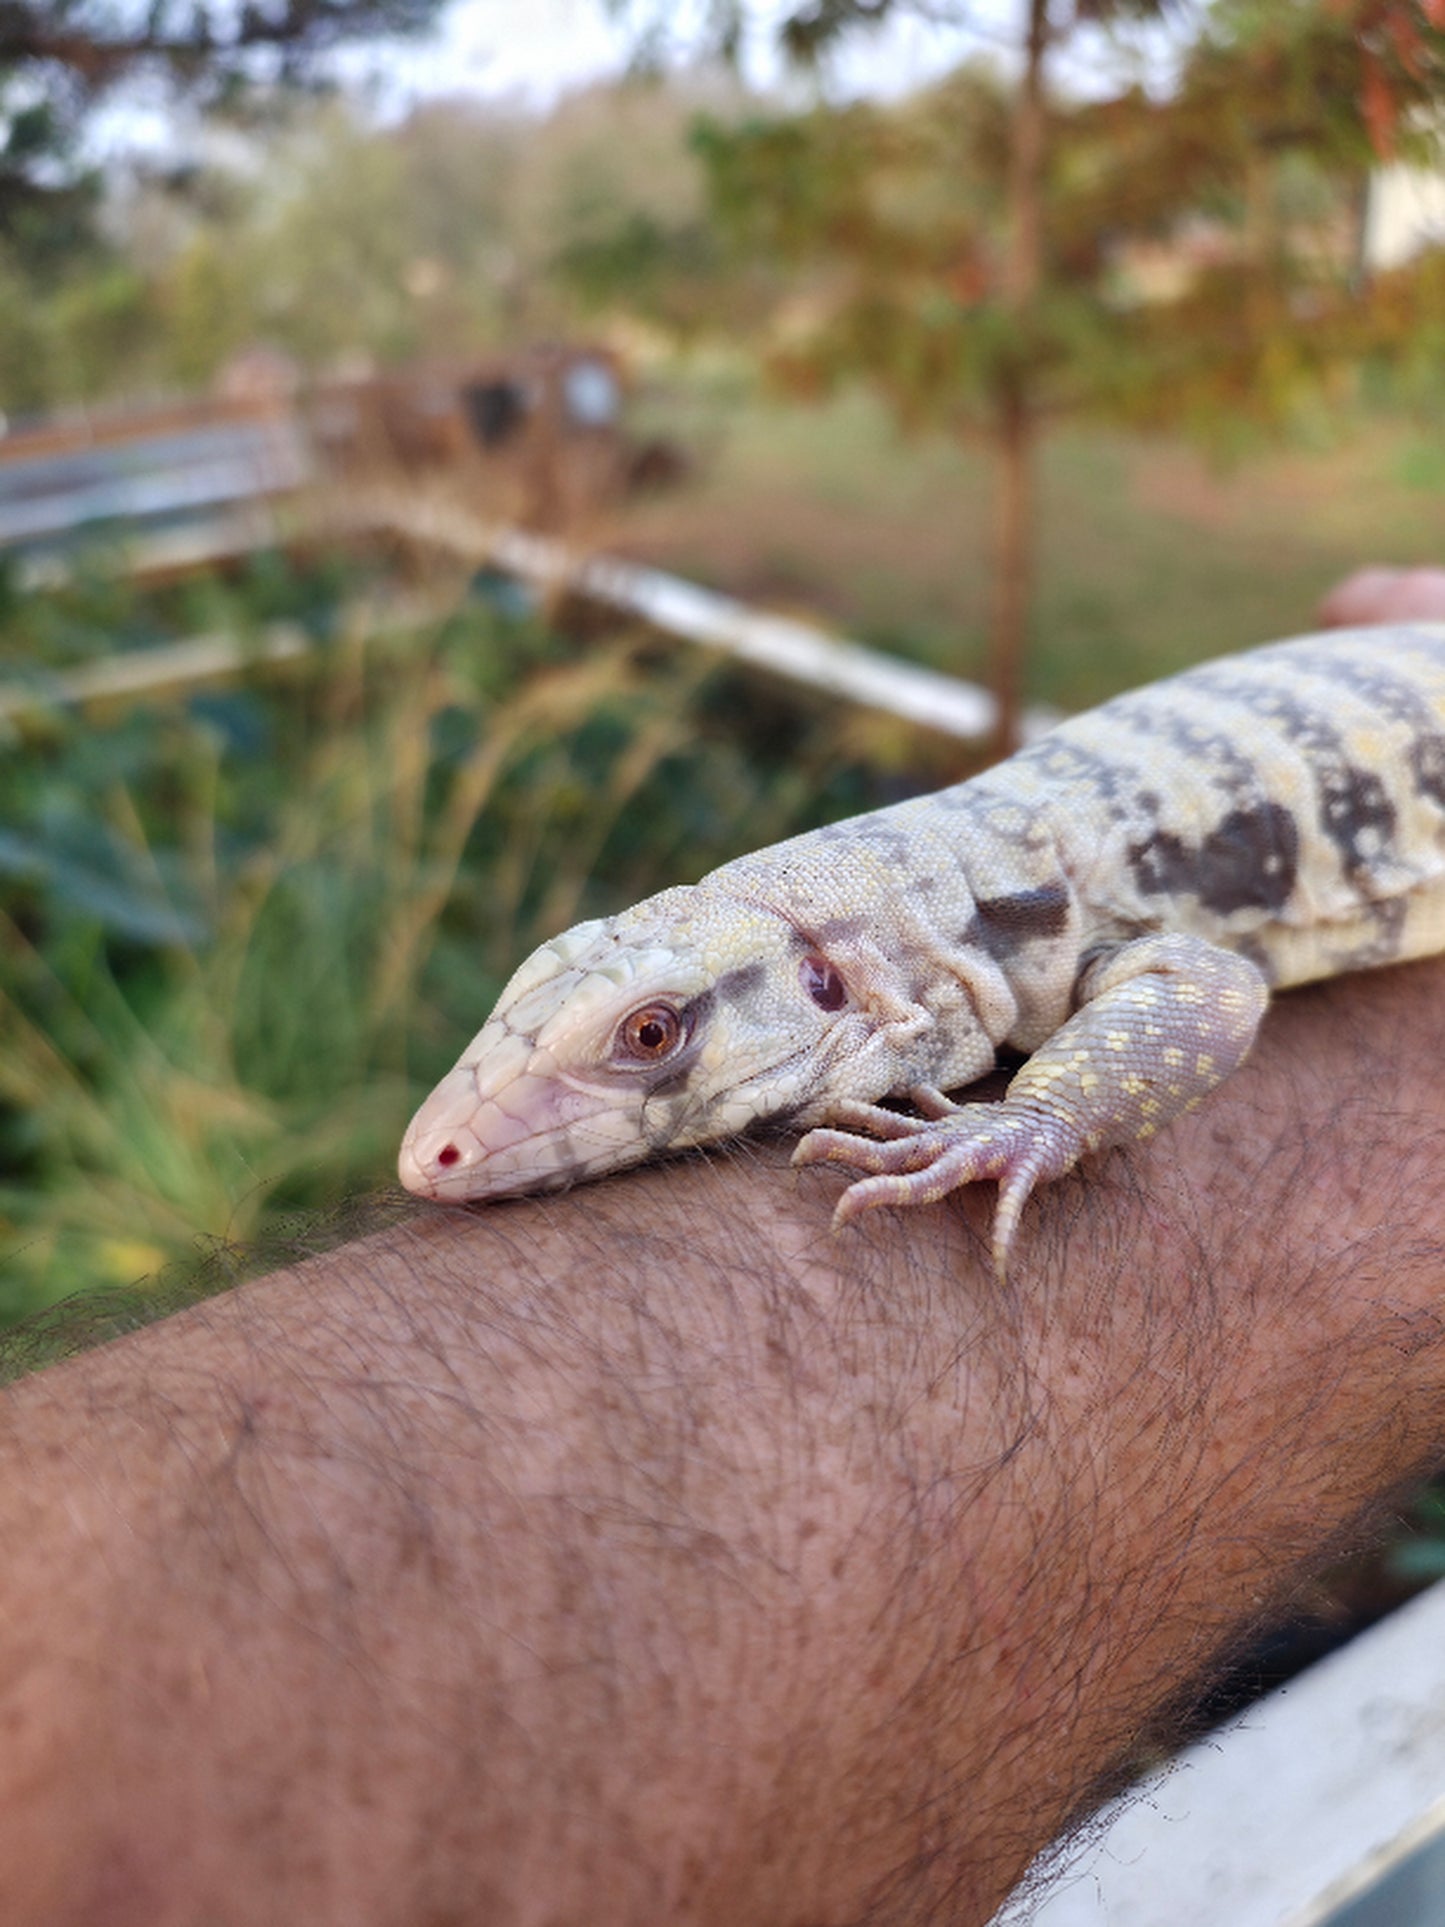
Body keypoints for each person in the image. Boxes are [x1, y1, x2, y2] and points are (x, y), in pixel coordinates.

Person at [4, 569, 1445, 1925]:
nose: (448, 1148)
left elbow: (1199, 989)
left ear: (824, 978)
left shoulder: (1035, 914)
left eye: (646, 1040)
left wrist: (1047, 1116)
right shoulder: (968, 914)